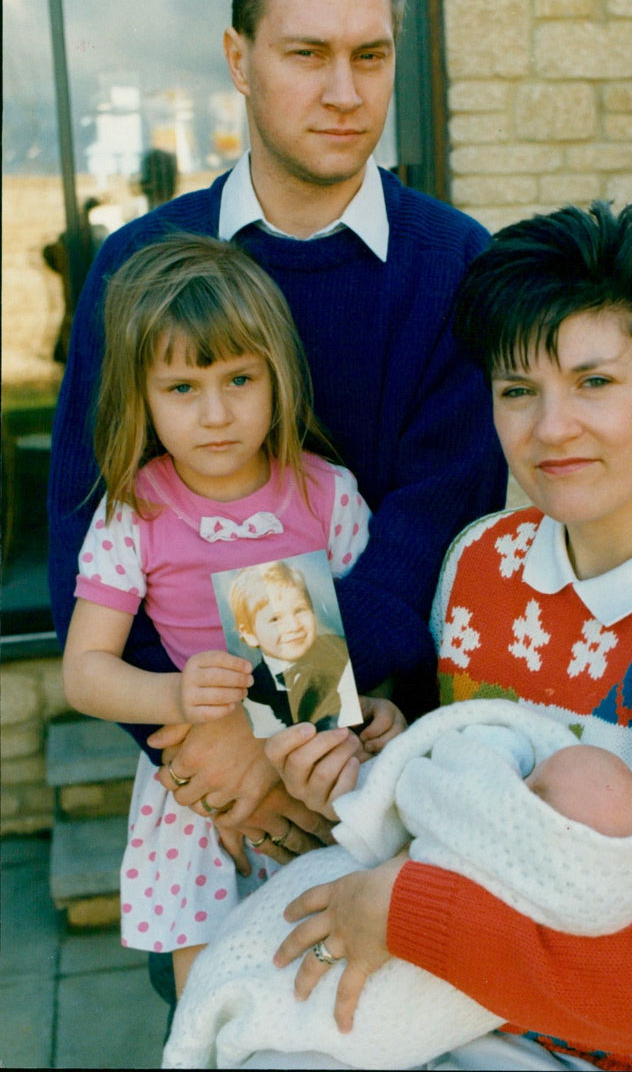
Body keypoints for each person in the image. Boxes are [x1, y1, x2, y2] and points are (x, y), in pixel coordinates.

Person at [258, 201, 632, 1072]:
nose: (551, 428)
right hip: (449, 1011)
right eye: (518, 391)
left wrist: (406, 914)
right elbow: (450, 787)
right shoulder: (483, 558)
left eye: (594, 382)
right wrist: (371, 752)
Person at [47, 0, 506, 872]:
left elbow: (424, 535)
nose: (344, 90)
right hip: (197, 785)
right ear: (237, 58)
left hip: (380, 760)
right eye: (306, 54)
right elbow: (87, 532)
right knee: (209, 1018)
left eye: (369, 56)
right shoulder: (141, 266)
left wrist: (277, 733)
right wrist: (211, 756)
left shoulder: (457, 268)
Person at [60, 234, 402, 999]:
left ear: (277, 375)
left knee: (327, 988)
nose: (216, 414)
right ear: (140, 395)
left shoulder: (326, 496)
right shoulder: (138, 511)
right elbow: (84, 671)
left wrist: (379, 708)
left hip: (323, 781)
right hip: (199, 811)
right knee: (210, 1003)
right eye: (182, 388)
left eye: (239, 378)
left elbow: (352, 658)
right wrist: (172, 696)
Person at [161, 696, 632, 1069]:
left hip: (397, 1023)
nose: (514, 780)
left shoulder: (554, 894)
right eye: (528, 776)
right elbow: (416, 802)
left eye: (532, 790)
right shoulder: (476, 561)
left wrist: (408, 906)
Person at [228, 560, 359, 731]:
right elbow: (270, 739)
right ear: (250, 635)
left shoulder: (337, 652)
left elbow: (354, 717)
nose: (293, 626)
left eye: (300, 610)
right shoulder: (254, 688)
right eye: (275, 619)